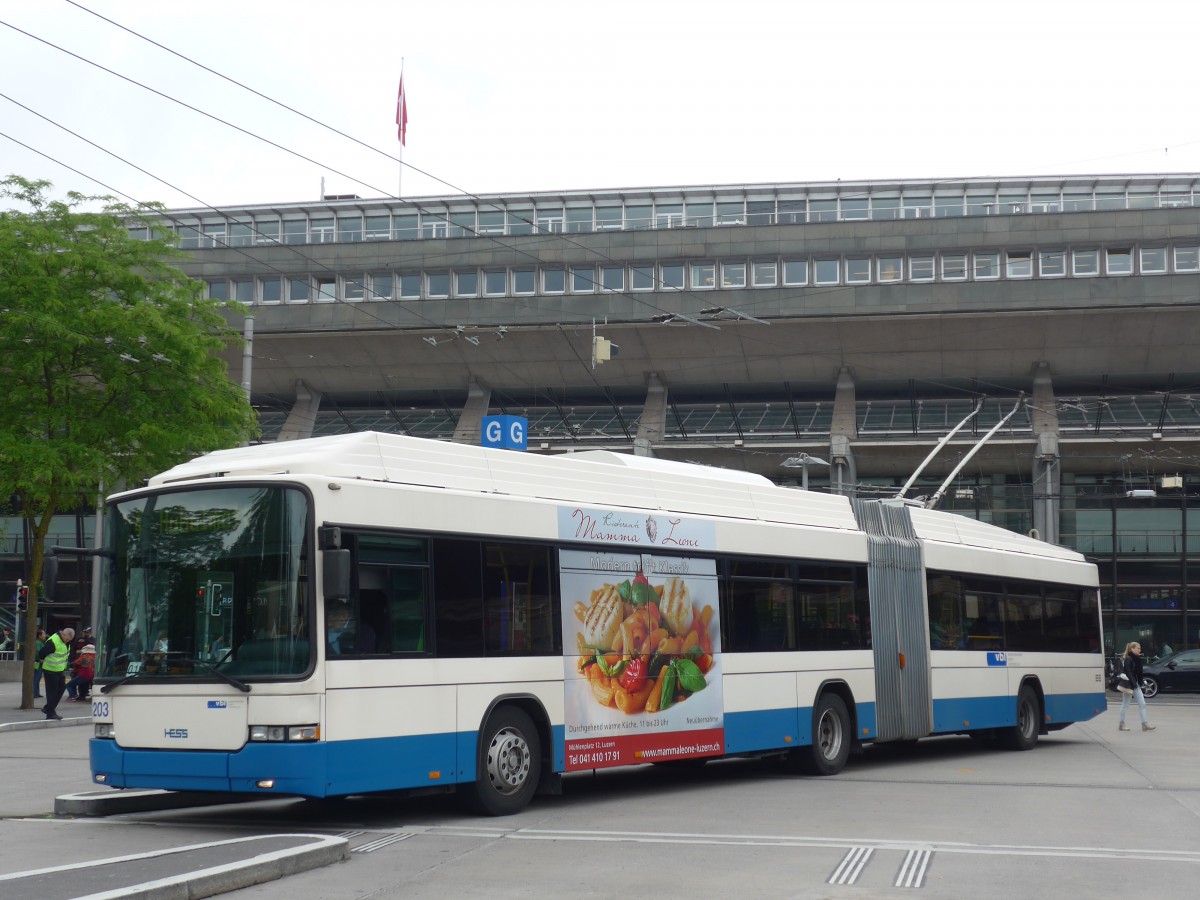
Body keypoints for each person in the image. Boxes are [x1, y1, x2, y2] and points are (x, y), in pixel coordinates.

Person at [36, 626, 75, 720]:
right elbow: (41, 653)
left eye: (69, 640)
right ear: (63, 634)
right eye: (66, 639)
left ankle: (48, 708)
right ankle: (50, 713)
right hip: (50, 670)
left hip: (59, 670)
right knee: (52, 692)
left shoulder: (66, 642)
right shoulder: (53, 641)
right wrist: (43, 661)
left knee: (61, 688)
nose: (67, 641)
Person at [1117, 641, 1156, 732]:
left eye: (1140, 648)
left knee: (1141, 704)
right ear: (1132, 649)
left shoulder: (1137, 659)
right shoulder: (1129, 658)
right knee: (1126, 704)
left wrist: (1140, 682)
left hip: (1135, 684)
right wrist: (1135, 684)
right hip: (1130, 685)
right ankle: (1122, 724)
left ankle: (1144, 724)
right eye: (1138, 648)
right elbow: (1128, 672)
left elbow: (1139, 673)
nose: (1140, 650)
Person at [32, 627, 47, 699]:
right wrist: (40, 659)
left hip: (40, 663)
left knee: (38, 678)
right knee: (36, 678)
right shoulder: (38, 643)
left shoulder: (40, 642)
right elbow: (37, 652)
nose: (45, 635)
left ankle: (37, 692)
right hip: (38, 663)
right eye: (43, 634)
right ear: (39, 635)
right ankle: (35, 693)